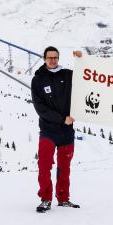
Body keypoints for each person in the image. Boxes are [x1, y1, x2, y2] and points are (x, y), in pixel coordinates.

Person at [31, 46, 82, 212]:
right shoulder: (38, 80)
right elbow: (40, 108)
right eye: (49, 57)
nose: (52, 60)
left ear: (58, 58)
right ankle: (45, 199)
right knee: (44, 166)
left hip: (67, 131)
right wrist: (62, 119)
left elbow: (86, 79)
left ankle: (63, 198)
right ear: (44, 59)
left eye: (55, 57)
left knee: (64, 167)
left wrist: (82, 60)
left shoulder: (67, 75)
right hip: (48, 130)